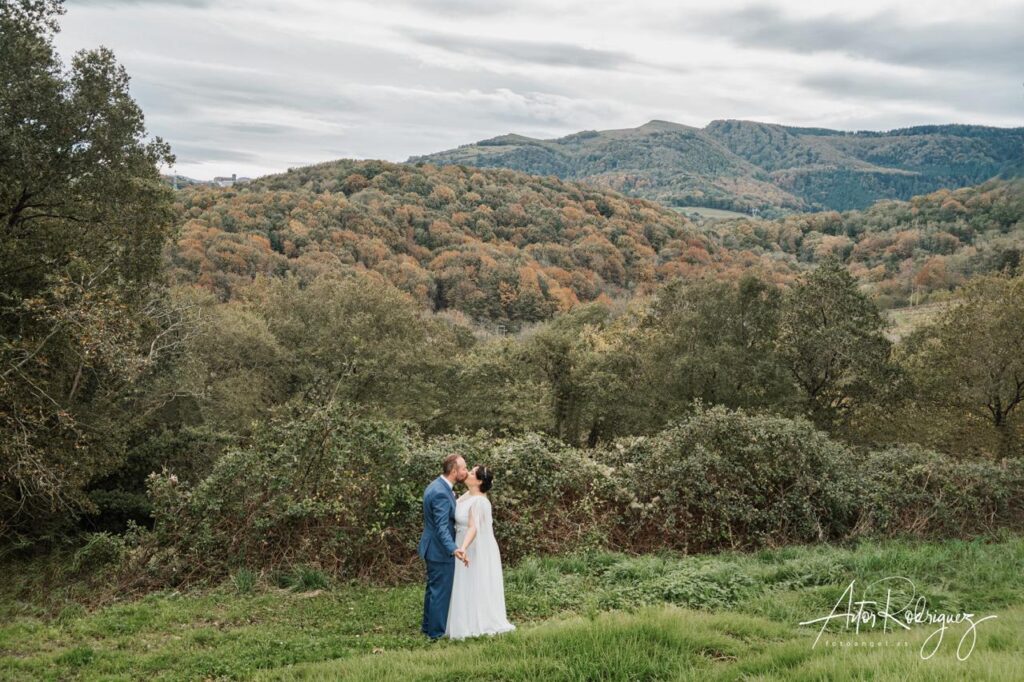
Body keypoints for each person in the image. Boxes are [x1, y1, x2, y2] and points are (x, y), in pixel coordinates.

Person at [445, 464, 516, 640]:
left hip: (476, 547)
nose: (466, 474)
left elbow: (473, 527)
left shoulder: (480, 501)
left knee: (475, 581)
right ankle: (464, 617)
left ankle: (477, 621)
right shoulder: (467, 495)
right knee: (465, 582)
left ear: (478, 481)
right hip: (462, 542)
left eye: (471, 473)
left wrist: (463, 547)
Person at [418, 453, 469, 640]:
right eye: (463, 468)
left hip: (432, 546)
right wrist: (453, 548)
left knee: (433, 589)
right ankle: (436, 634)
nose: (466, 471)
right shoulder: (440, 492)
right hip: (439, 549)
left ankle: (427, 627)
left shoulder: (438, 486)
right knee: (440, 592)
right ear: (454, 471)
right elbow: (441, 527)